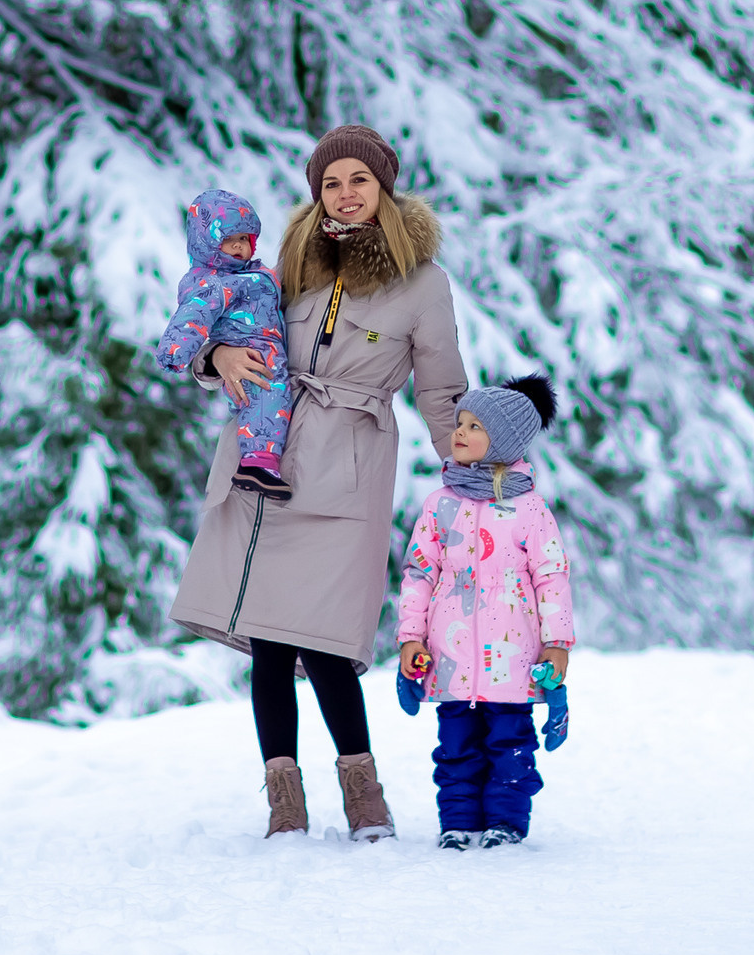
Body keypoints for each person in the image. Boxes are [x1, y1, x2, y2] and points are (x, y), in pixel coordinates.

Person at [171, 125, 467, 842]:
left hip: (353, 464)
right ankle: (284, 799)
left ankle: (363, 793)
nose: (345, 193)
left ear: (383, 187)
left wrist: (471, 473)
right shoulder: (292, 261)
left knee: (330, 640)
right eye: (331, 182)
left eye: (357, 180)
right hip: (268, 461)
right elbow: (236, 328)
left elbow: (442, 389)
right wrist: (213, 357)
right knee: (271, 641)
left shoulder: (421, 279)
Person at [396, 375, 572, 849]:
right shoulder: (439, 505)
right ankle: (457, 822)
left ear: (504, 441)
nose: (460, 433)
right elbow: (418, 572)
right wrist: (411, 636)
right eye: (460, 423)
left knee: (511, 745)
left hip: (513, 657)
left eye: (475, 426)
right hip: (449, 655)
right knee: (455, 748)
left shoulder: (529, 509)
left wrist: (557, 643)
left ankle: (507, 822)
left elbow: (551, 576)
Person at [154, 189, 292, 495]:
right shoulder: (215, 283)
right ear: (210, 244)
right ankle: (258, 462)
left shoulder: (249, 275)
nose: (241, 247)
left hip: (264, 348)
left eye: (245, 239)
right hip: (251, 354)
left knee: (269, 398)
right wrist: (175, 351)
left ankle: (261, 460)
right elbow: (192, 316)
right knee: (267, 398)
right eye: (232, 240)